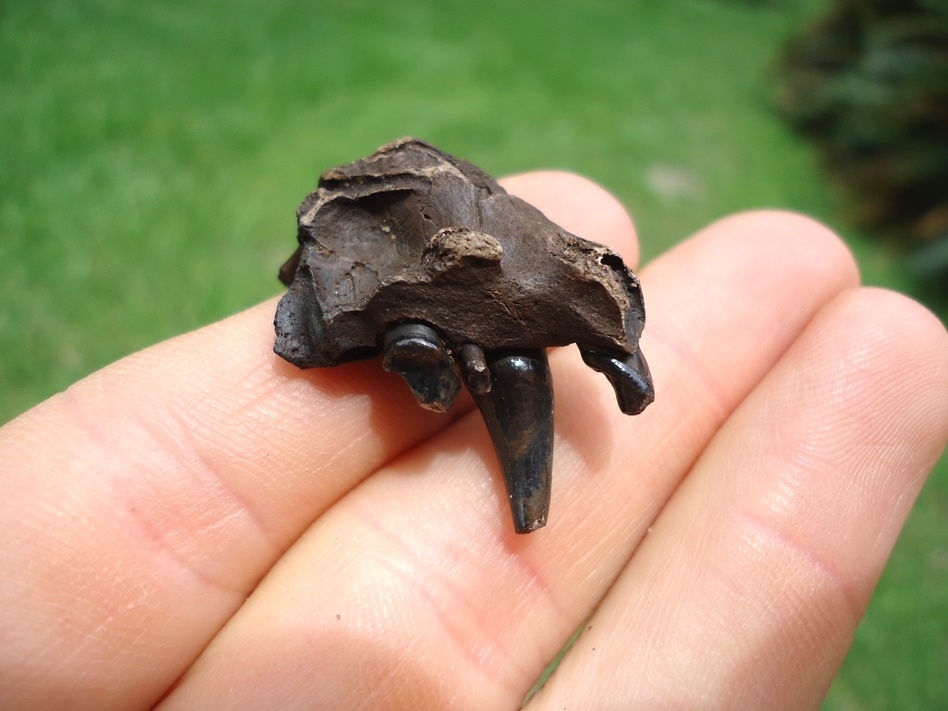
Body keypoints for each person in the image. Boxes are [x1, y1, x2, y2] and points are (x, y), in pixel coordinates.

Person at [1, 172, 946, 710]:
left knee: (524, 360)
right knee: (504, 365)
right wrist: (418, 354)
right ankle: (520, 451)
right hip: (394, 277)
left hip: (471, 269)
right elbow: (358, 303)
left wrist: (601, 353)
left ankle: (541, 443)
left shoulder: (546, 276)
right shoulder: (405, 276)